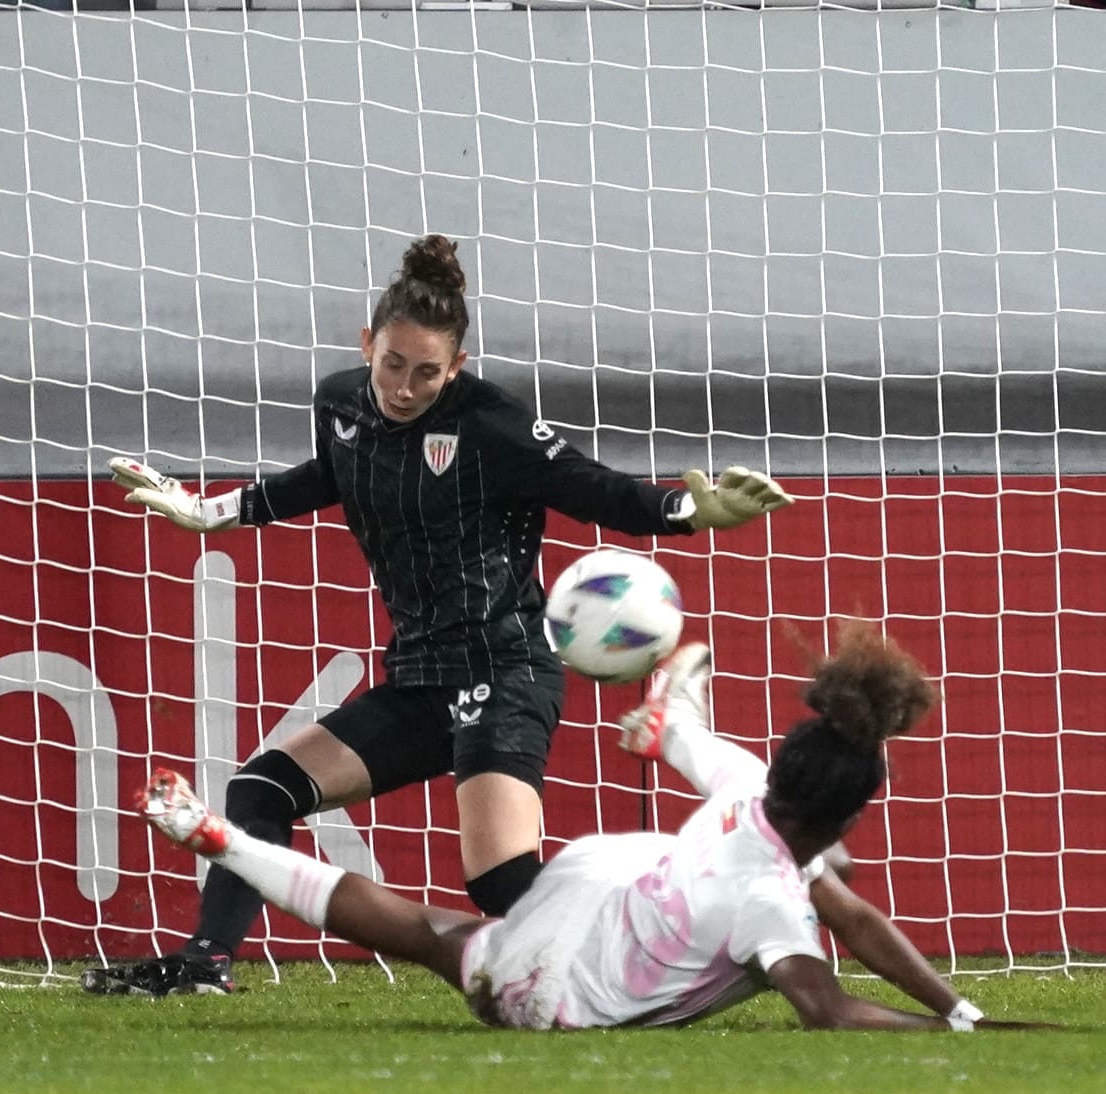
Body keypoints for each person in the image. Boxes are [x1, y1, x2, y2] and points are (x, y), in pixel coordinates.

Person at [87, 233, 793, 996]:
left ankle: (687, 942)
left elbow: (604, 492)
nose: (403, 385)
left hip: (505, 669)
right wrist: (210, 511)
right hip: (422, 676)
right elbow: (331, 474)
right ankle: (204, 965)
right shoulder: (339, 403)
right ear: (367, 345)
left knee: (498, 882)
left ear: (455, 366)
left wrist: (694, 508)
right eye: (392, 364)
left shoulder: (493, 425)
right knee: (260, 789)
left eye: (427, 372)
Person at [137, 630, 1042, 1031]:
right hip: (555, 994)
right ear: (843, 819)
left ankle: (234, 841)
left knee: (424, 928)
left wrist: (954, 1004)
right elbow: (828, 1006)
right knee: (429, 936)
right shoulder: (769, 899)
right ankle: (234, 843)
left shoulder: (746, 784)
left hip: (574, 898)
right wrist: (945, 1032)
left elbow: (854, 920)